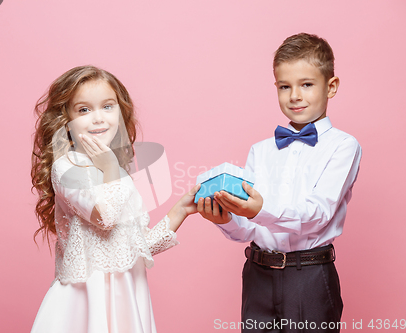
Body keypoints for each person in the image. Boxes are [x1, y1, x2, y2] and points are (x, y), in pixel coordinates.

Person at [198, 33, 362, 332]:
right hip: (258, 275)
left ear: (332, 86)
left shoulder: (343, 146)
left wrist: (260, 209)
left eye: (306, 84)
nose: (294, 96)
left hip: (309, 276)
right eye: (285, 86)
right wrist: (225, 219)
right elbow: (250, 227)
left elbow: (318, 214)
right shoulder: (260, 150)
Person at [30, 65, 199, 333]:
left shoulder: (118, 175)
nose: (98, 118)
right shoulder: (67, 167)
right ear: (66, 122)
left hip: (125, 299)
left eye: (107, 106)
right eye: (84, 110)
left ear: (120, 114)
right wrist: (110, 167)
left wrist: (182, 210)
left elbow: (132, 249)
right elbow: (105, 218)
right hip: (87, 303)